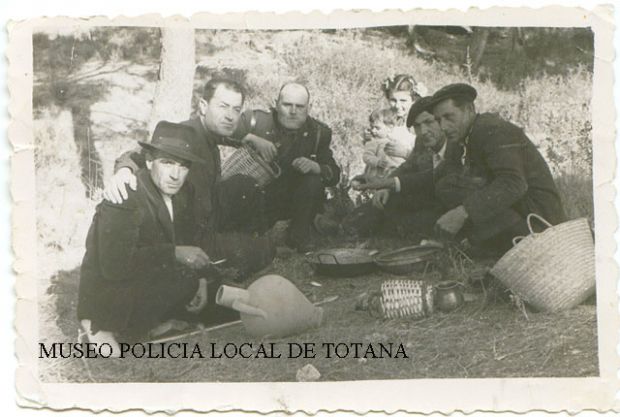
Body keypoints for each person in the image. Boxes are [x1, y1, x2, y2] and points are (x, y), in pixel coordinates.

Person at [78, 121, 232, 351]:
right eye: (167, 163)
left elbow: (186, 240)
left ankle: (157, 320)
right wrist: (174, 254)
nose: (175, 175)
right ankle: (99, 326)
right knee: (182, 282)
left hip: (150, 276)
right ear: (149, 161)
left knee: (217, 296)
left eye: (183, 166)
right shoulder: (126, 194)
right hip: (113, 291)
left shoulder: (184, 191)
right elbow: (115, 266)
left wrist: (200, 280)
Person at [102, 77, 275, 277]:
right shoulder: (185, 135)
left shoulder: (209, 132)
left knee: (245, 185)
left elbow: (225, 134)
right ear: (203, 106)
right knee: (264, 251)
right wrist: (124, 170)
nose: (230, 116)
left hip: (208, 213)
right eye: (223, 107)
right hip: (189, 234)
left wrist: (248, 137)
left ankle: (248, 242)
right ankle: (239, 256)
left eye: (236, 110)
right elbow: (140, 155)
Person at [430, 83, 565, 253]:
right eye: (438, 120)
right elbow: (441, 174)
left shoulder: (494, 131)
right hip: (519, 213)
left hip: (539, 222)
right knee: (447, 184)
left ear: (469, 110)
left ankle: (507, 246)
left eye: (449, 117)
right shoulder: (465, 135)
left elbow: (514, 183)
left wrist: (463, 212)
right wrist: (393, 184)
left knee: (451, 186)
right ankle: (477, 243)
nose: (443, 126)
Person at [230, 82, 341, 252]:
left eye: (300, 106)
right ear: (276, 103)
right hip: (259, 198)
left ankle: (299, 236)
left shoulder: (318, 133)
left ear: (308, 108)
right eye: (287, 105)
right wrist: (251, 138)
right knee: (246, 241)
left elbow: (334, 174)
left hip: (293, 201)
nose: (293, 111)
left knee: (313, 181)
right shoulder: (256, 120)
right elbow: (223, 132)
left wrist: (316, 167)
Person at [343, 96, 451, 238]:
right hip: (420, 196)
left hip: (444, 203)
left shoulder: (455, 143)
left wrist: (391, 184)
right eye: (417, 126)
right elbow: (407, 166)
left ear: (441, 121)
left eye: (429, 122)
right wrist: (386, 187)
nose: (423, 131)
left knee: (407, 223)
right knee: (369, 212)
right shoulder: (421, 141)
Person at [380, 74, 428, 161]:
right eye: (393, 100)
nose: (398, 106)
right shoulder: (386, 119)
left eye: (403, 101)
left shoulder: (421, 124)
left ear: (414, 100)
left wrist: (406, 153)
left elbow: (430, 161)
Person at [358, 108, 408, 180]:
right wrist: (377, 162)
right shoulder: (373, 141)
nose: (373, 130)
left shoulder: (393, 139)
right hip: (376, 175)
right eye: (372, 127)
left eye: (377, 128)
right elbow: (366, 156)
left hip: (390, 173)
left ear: (390, 128)